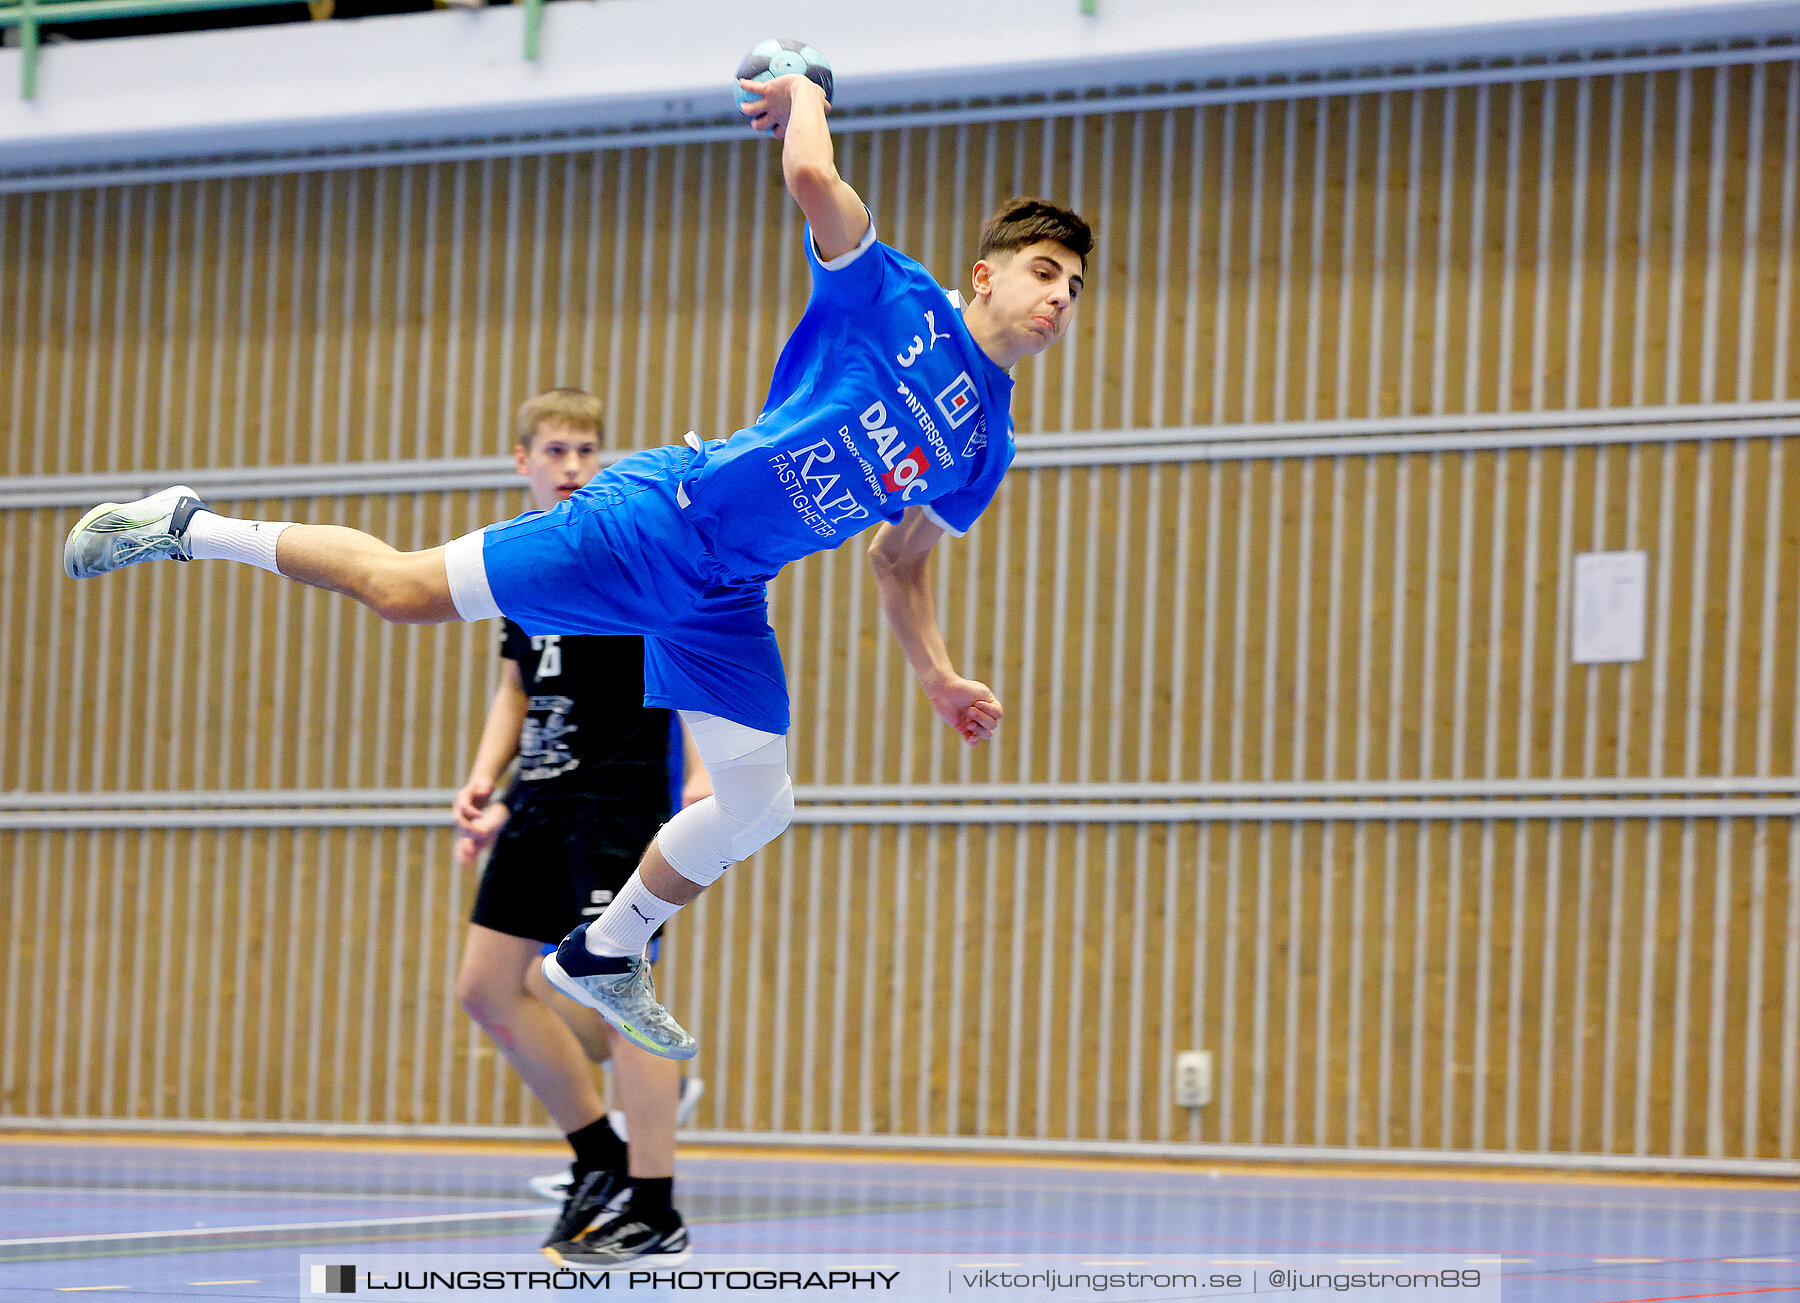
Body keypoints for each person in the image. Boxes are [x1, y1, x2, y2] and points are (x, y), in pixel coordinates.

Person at [63, 71, 1093, 1259]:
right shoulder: (893, 297)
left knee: (761, 802)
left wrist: (938, 676)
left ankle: (604, 952)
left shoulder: (984, 442)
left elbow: (897, 563)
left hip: (722, 591)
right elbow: (812, 178)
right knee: (402, 590)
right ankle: (191, 523)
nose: (1059, 297)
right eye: (1043, 272)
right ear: (988, 274)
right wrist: (804, 90)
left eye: (1074, 286)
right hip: (661, 517)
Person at [448, 388, 710, 1264]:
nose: (572, 466)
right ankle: (597, 1157)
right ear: (521, 460)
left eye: (586, 450)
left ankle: (655, 1203)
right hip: (539, 798)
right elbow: (517, 687)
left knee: (612, 986)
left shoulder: (629, 552)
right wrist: (487, 782)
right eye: (555, 450)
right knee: (487, 987)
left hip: (617, 801)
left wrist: (708, 778)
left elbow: (698, 650)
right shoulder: (522, 566)